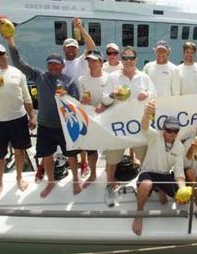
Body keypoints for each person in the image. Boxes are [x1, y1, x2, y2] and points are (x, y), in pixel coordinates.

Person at [3, 34, 79, 198]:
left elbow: (78, 103)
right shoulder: (39, 76)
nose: (52, 67)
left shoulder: (70, 81)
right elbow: (18, 63)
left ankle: (76, 181)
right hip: (45, 126)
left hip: (65, 126)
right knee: (46, 155)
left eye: (56, 65)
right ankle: (50, 182)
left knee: (72, 156)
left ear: (62, 65)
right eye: (50, 64)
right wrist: (11, 42)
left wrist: (67, 95)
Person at [0, 43, 37, 200]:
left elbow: (26, 96)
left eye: (0, 53)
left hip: (18, 118)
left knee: (19, 150)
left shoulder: (17, 73)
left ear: (6, 55)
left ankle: (19, 177)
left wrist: (32, 115)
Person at [102, 46, 156, 205]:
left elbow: (155, 94)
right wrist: (113, 95)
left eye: (131, 58)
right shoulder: (113, 77)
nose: (128, 61)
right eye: (125, 58)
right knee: (112, 159)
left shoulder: (144, 77)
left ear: (136, 60)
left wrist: (148, 94)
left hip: (139, 125)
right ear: (121, 59)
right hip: (117, 125)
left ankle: (144, 184)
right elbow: (105, 100)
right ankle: (110, 185)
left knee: (144, 157)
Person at [132, 101, 189, 236]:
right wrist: (147, 114)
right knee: (146, 185)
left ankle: (160, 189)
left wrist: (183, 188)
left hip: (164, 174)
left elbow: (179, 172)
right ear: (164, 129)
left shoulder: (180, 147)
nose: (172, 133)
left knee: (181, 201)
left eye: (175, 131)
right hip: (148, 173)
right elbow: (144, 127)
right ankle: (139, 213)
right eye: (169, 130)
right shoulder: (155, 136)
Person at [61, 18, 96, 177]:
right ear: (64, 49)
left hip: (82, 105)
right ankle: (75, 164)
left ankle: (84, 164)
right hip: (65, 106)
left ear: (77, 50)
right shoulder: (58, 63)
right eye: (69, 47)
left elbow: (92, 47)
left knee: (84, 136)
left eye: (74, 48)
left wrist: (81, 29)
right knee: (71, 137)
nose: (71, 50)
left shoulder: (81, 61)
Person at [77, 49, 109, 188]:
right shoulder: (82, 79)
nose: (91, 63)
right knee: (91, 148)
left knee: (110, 147)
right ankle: (93, 174)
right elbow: (79, 101)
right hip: (90, 118)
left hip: (107, 117)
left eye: (94, 60)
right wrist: (83, 102)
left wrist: (104, 105)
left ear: (101, 62)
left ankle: (109, 173)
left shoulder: (110, 78)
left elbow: (113, 98)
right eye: (89, 60)